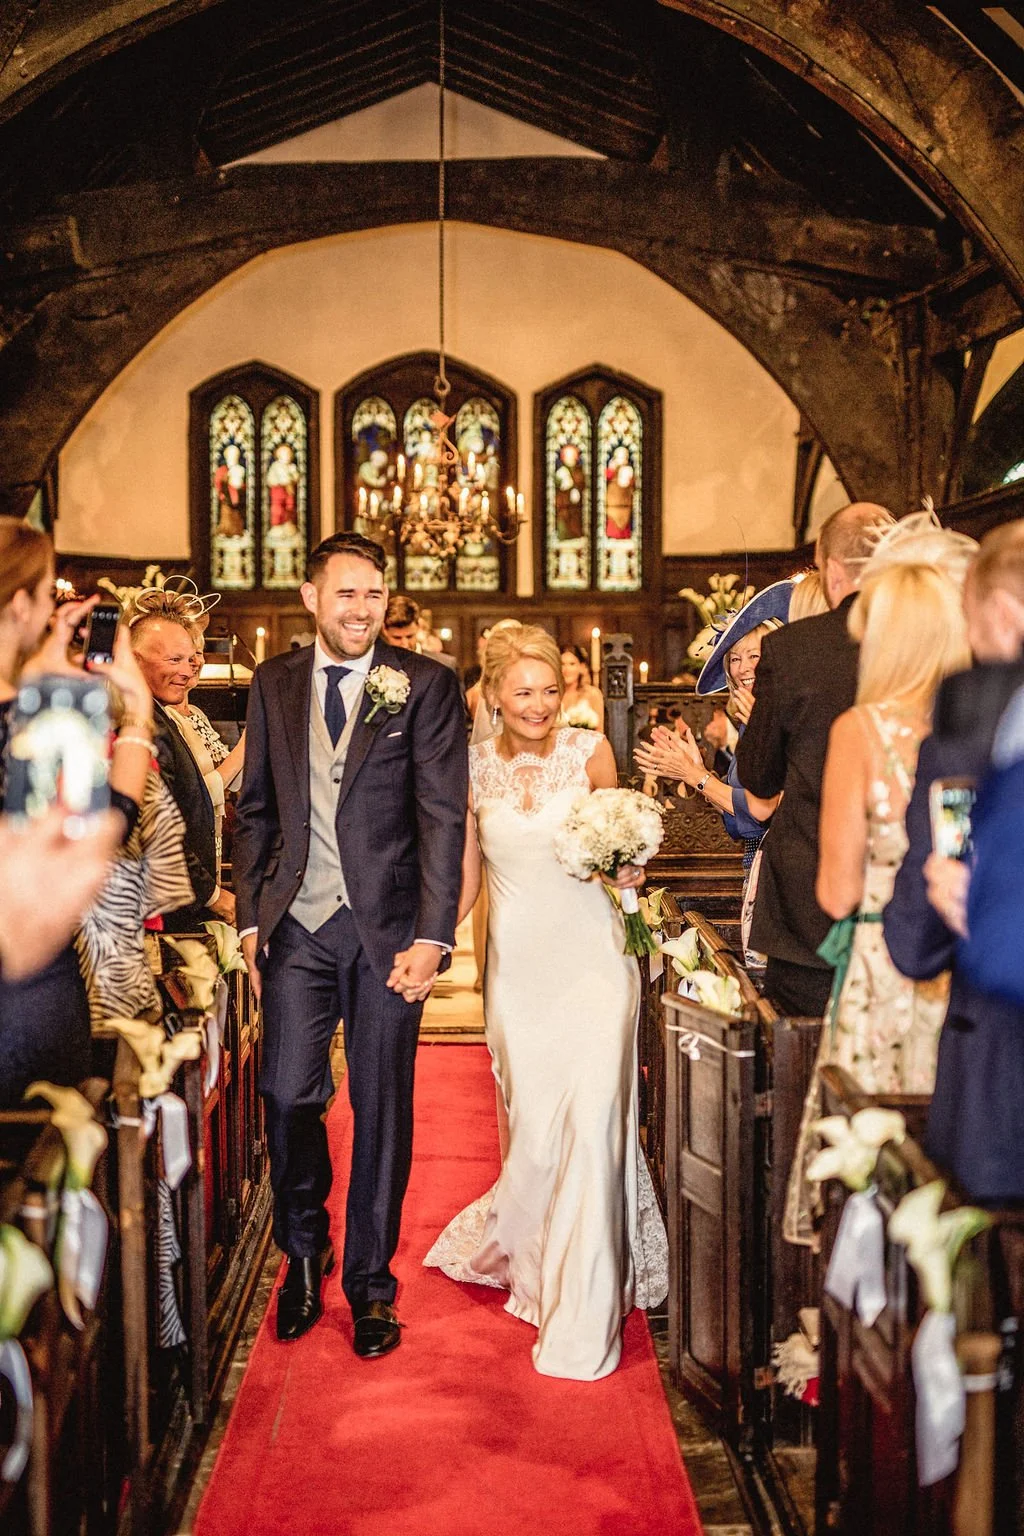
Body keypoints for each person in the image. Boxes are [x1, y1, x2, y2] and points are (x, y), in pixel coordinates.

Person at [232, 531, 467, 1355]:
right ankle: (304, 1253)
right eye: (346, 594)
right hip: (297, 927)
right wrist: (254, 918)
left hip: (389, 935)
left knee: (382, 1110)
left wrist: (435, 935)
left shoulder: (427, 685)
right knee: (288, 1096)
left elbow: (443, 816)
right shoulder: (275, 682)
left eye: (373, 594)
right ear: (311, 598)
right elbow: (256, 806)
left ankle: (370, 1286)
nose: (361, 609)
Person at [424, 622, 667, 1381]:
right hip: (520, 980)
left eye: (550, 691)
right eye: (523, 692)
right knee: (535, 1136)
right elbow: (465, 885)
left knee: (594, 1123)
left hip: (598, 966)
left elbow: (620, 850)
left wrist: (628, 875)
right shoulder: (468, 770)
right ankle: (530, 1255)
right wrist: (424, 947)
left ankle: (584, 1314)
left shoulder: (589, 751)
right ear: (493, 694)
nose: (538, 705)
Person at [785, 537, 974, 1246]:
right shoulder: (978, 731)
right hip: (965, 970)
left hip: (882, 967)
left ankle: (868, 1321)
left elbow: (835, 893)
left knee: (873, 1161)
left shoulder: (861, 731)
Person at [885, 520, 1024, 1202]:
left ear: (1001, 617)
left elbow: (914, 944)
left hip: (1002, 1092)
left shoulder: (966, 742)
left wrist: (973, 907)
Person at [735, 502, 895, 1016]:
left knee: (805, 1055)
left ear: (830, 571)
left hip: (811, 904)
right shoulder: (935, 641)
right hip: (911, 897)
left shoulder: (794, 649)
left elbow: (759, 776)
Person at [634, 582, 791, 935]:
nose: (742, 667)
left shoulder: (783, 719)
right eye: (734, 658)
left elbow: (761, 808)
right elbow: (742, 814)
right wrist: (701, 773)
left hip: (783, 867)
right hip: (757, 863)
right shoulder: (752, 723)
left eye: (754, 655)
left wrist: (694, 776)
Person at [131, 614, 234, 928]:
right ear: (134, 661)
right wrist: (212, 895)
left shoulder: (160, 713)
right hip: (162, 909)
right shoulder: (141, 723)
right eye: (174, 659)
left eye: (191, 659)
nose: (187, 670)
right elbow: (155, 826)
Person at [559, 643, 605, 730]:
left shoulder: (593, 694)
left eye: (572, 664)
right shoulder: (553, 695)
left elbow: (599, 731)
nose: (566, 669)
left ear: (581, 667)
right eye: (562, 664)